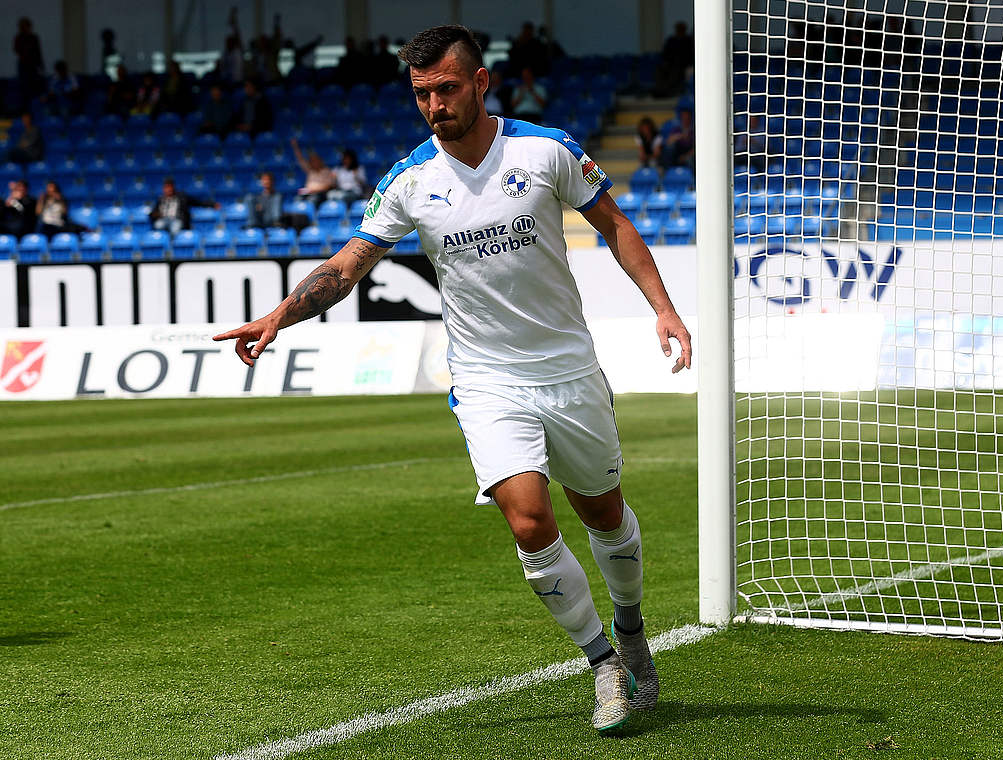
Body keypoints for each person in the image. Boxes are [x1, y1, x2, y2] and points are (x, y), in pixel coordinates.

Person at [213, 24, 689, 733]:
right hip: (487, 378)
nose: (434, 104)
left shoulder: (545, 150)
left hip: (567, 370)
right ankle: (603, 665)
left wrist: (663, 308)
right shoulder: (410, 180)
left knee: (604, 513)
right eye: (421, 94)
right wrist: (280, 315)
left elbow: (615, 224)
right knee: (529, 520)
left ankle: (631, 629)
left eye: (444, 88)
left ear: (479, 82)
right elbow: (346, 267)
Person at [149, 177, 219, 235]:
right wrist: (156, 214)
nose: (168, 190)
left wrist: (212, 205)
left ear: (173, 187)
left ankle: (172, 246)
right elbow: (154, 212)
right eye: (166, 188)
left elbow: (197, 202)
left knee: (174, 228)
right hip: (164, 220)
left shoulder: (182, 197)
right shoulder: (161, 199)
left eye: (169, 187)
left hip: (177, 220)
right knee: (158, 225)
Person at [14, 17, 44, 106]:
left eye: (27, 26)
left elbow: (38, 52)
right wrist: (26, 50)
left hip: (33, 66)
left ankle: (35, 107)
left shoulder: (34, 37)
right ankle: (25, 110)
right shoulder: (18, 37)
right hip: (23, 66)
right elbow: (17, 50)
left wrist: (41, 65)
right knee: (24, 89)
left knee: (35, 88)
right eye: (23, 26)